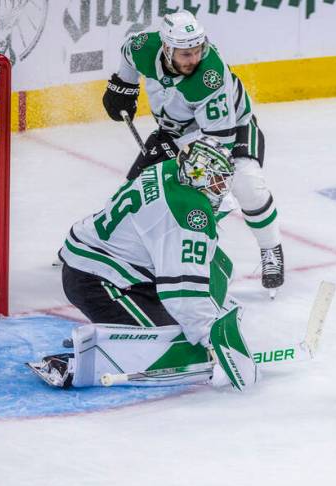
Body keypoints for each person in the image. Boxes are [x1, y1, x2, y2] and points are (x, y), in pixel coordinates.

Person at [27, 137, 257, 391]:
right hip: (97, 280)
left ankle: (119, 336)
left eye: (223, 180)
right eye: (216, 179)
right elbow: (182, 294)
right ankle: (82, 361)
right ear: (197, 175)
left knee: (218, 265)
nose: (221, 187)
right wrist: (211, 340)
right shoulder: (189, 212)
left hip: (117, 265)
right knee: (175, 344)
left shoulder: (170, 168)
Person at [101, 10, 285, 294]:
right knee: (137, 188)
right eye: (185, 54)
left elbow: (218, 144)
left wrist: (190, 174)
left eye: (197, 51)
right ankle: (107, 249)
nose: (193, 59)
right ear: (166, 48)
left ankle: (271, 249)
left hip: (230, 130)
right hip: (177, 132)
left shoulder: (210, 77)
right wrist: (123, 85)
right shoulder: (143, 47)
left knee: (247, 185)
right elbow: (128, 53)